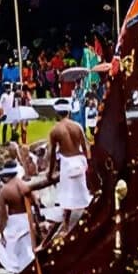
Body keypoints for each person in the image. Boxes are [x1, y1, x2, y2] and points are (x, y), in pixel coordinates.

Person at [46, 97, 90, 243]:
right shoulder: (77, 126)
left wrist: (50, 173)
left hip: (67, 163)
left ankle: (65, 225)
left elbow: (52, 155)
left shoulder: (55, 130)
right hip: (80, 160)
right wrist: (87, 162)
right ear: (69, 112)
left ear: (56, 113)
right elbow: (85, 147)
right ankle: (87, 216)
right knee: (82, 193)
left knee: (66, 197)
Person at [0, 161, 45, 274]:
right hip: (27, 220)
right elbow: (36, 204)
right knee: (26, 248)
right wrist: (37, 221)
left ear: (6, 176)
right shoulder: (24, 185)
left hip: (15, 222)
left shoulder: (5, 190)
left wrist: (0, 232)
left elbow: (3, 217)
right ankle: (27, 270)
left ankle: (17, 271)